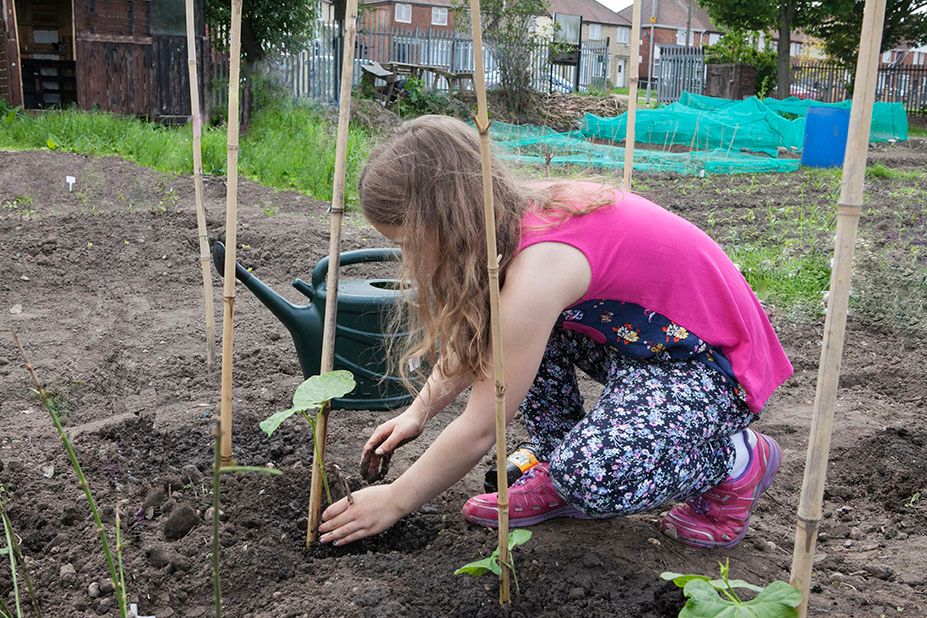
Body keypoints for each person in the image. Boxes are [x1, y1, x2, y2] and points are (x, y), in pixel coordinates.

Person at [318, 115, 792, 549]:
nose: (409, 259)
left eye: (408, 243)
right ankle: (554, 461)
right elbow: (484, 336)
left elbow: (482, 426)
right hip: (645, 342)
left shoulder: (542, 264)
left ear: (446, 218)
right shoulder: (509, 217)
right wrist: (419, 411)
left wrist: (395, 499)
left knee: (593, 477)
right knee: (518, 333)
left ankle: (736, 462)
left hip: (714, 365)